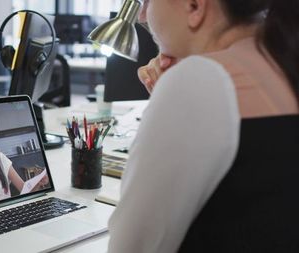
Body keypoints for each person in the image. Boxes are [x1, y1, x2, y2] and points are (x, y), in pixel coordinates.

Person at [108, 0, 299, 252]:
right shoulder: (281, 63)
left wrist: (175, 94)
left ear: (195, 6)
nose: (142, 15)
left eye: (148, 1)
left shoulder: (200, 79)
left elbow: (131, 246)